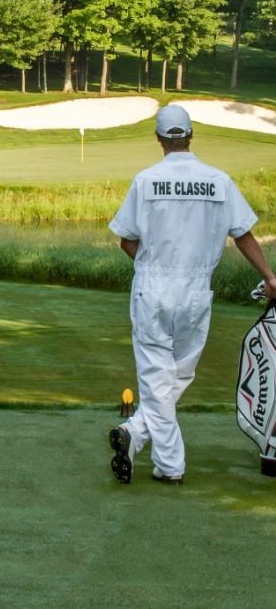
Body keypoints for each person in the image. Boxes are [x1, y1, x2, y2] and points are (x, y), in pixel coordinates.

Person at [108, 104, 276, 485]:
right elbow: (244, 234)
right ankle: (137, 435)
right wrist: (269, 276)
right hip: (197, 290)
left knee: (156, 375)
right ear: (190, 135)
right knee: (179, 371)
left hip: (153, 286)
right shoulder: (219, 180)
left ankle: (164, 460)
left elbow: (126, 241)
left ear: (158, 137)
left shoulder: (146, 180)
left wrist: (152, 263)